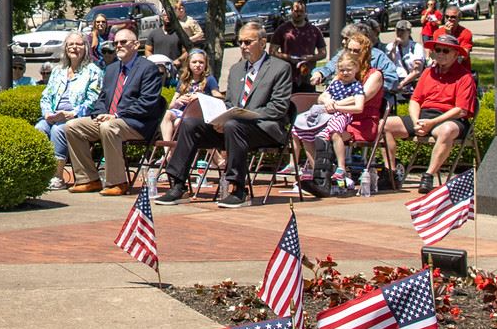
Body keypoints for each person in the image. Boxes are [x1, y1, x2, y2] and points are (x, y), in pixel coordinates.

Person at [157, 21, 294, 208]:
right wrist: (219, 117)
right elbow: (230, 102)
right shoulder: (237, 69)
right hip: (233, 128)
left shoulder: (280, 68)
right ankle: (178, 186)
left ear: (263, 42)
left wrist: (237, 117)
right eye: (240, 42)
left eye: (248, 42)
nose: (243, 47)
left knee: (233, 125)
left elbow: (278, 108)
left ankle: (238, 189)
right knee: (190, 124)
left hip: (264, 128)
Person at [63, 27, 165, 196]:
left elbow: (148, 103)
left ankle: (117, 182)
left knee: (109, 127)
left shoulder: (148, 69)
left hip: (137, 123)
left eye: (123, 42)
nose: (118, 46)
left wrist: (116, 115)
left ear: (136, 44)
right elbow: (102, 99)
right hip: (110, 121)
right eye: (116, 43)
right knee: (72, 126)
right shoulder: (111, 69)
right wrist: (100, 115)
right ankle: (88, 179)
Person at [384, 32, 480, 190]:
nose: (440, 54)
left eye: (445, 51)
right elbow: (415, 100)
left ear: (456, 54)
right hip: (424, 116)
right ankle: (391, 173)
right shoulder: (428, 72)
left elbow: (461, 110)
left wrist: (432, 123)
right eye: (438, 49)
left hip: (450, 119)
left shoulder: (465, 77)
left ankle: (428, 176)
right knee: (384, 125)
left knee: (447, 130)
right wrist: (416, 122)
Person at [296, 33, 384, 198]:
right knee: (306, 132)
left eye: (356, 50)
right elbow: (323, 95)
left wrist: (334, 105)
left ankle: (326, 179)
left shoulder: (375, 75)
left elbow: (360, 99)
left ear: (366, 52)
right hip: (338, 118)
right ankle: (321, 175)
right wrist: (327, 100)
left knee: (329, 133)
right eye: (348, 49)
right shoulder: (344, 71)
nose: (351, 53)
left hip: (360, 122)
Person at [36, 32, 104, 190]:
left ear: (86, 48)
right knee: (40, 128)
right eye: (70, 44)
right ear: (65, 48)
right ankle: (40, 174)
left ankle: (57, 177)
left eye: (79, 44)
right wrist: (47, 113)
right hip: (54, 115)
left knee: (59, 130)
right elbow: (46, 96)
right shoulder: (58, 71)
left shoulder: (93, 71)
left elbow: (93, 100)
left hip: (77, 117)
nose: (74, 47)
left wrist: (73, 113)